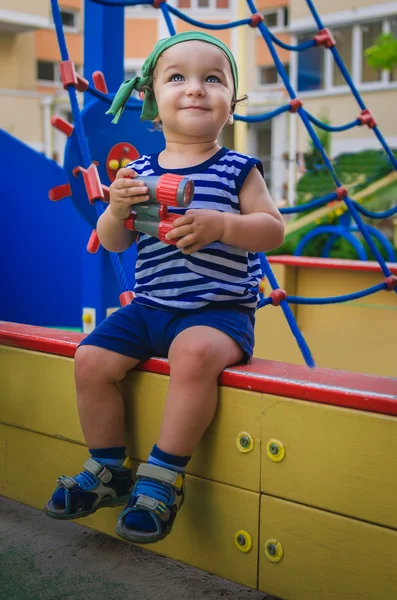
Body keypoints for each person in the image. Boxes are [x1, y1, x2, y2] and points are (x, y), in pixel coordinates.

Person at [44, 31, 285, 544]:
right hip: (150, 307)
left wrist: (223, 226)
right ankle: (109, 467)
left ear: (231, 105)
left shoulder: (238, 169)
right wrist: (116, 208)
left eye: (212, 79)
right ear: (153, 102)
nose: (195, 89)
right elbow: (111, 242)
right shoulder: (139, 172)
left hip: (218, 312)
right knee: (89, 360)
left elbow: (272, 229)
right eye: (178, 78)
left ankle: (162, 476)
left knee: (193, 354)